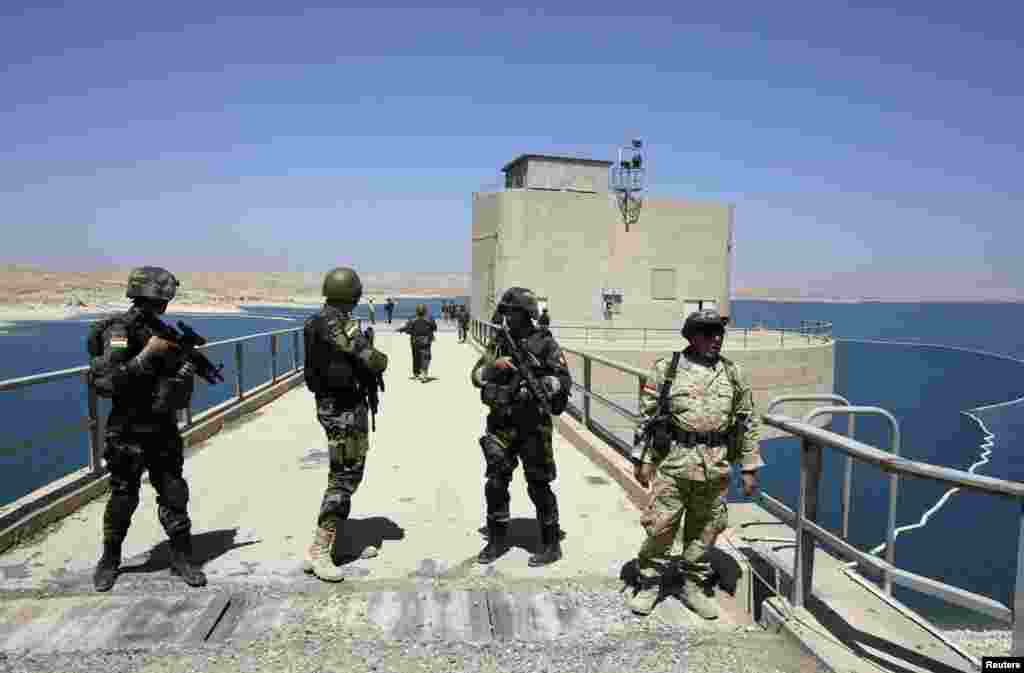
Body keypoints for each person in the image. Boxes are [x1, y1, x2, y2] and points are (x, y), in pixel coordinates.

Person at [627, 309, 764, 619]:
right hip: (674, 462)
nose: (716, 339)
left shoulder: (733, 373)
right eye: (708, 333)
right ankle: (649, 583)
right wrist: (642, 459)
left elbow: (748, 421)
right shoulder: (667, 370)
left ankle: (693, 585)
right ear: (692, 336)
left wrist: (750, 466)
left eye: (719, 334)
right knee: (661, 525)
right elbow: (647, 418)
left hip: (715, 465)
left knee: (705, 530)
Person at [86, 266, 209, 592]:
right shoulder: (120, 331)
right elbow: (106, 382)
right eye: (163, 297)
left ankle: (182, 557)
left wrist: (183, 363)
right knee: (123, 495)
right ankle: (110, 559)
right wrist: (149, 353)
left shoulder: (163, 330)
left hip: (162, 427)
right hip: (127, 428)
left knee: (173, 492)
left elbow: (169, 376)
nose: (165, 303)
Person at [470, 287, 573, 567]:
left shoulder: (545, 343)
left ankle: (551, 544)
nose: (507, 317)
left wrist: (542, 384)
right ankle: (496, 540)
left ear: (527, 314)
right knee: (496, 482)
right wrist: (494, 367)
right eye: (505, 312)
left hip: (533, 425)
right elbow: (475, 375)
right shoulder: (500, 342)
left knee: (539, 485)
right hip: (502, 423)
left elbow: (564, 380)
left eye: (512, 312)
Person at [301, 267, 389, 582]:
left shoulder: (319, 320)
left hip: (337, 404)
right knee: (344, 477)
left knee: (347, 474)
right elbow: (372, 360)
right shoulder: (337, 324)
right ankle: (320, 551)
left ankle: (334, 544)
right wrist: (375, 353)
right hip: (343, 409)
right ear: (352, 294)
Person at [397, 304, 437, 381]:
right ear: (425, 310)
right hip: (426, 341)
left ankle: (416, 374)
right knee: (426, 357)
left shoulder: (412, 319)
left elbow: (407, 329)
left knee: (416, 357)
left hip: (414, 341)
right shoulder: (429, 318)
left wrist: (401, 330)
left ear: (417, 310)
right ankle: (424, 373)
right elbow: (434, 328)